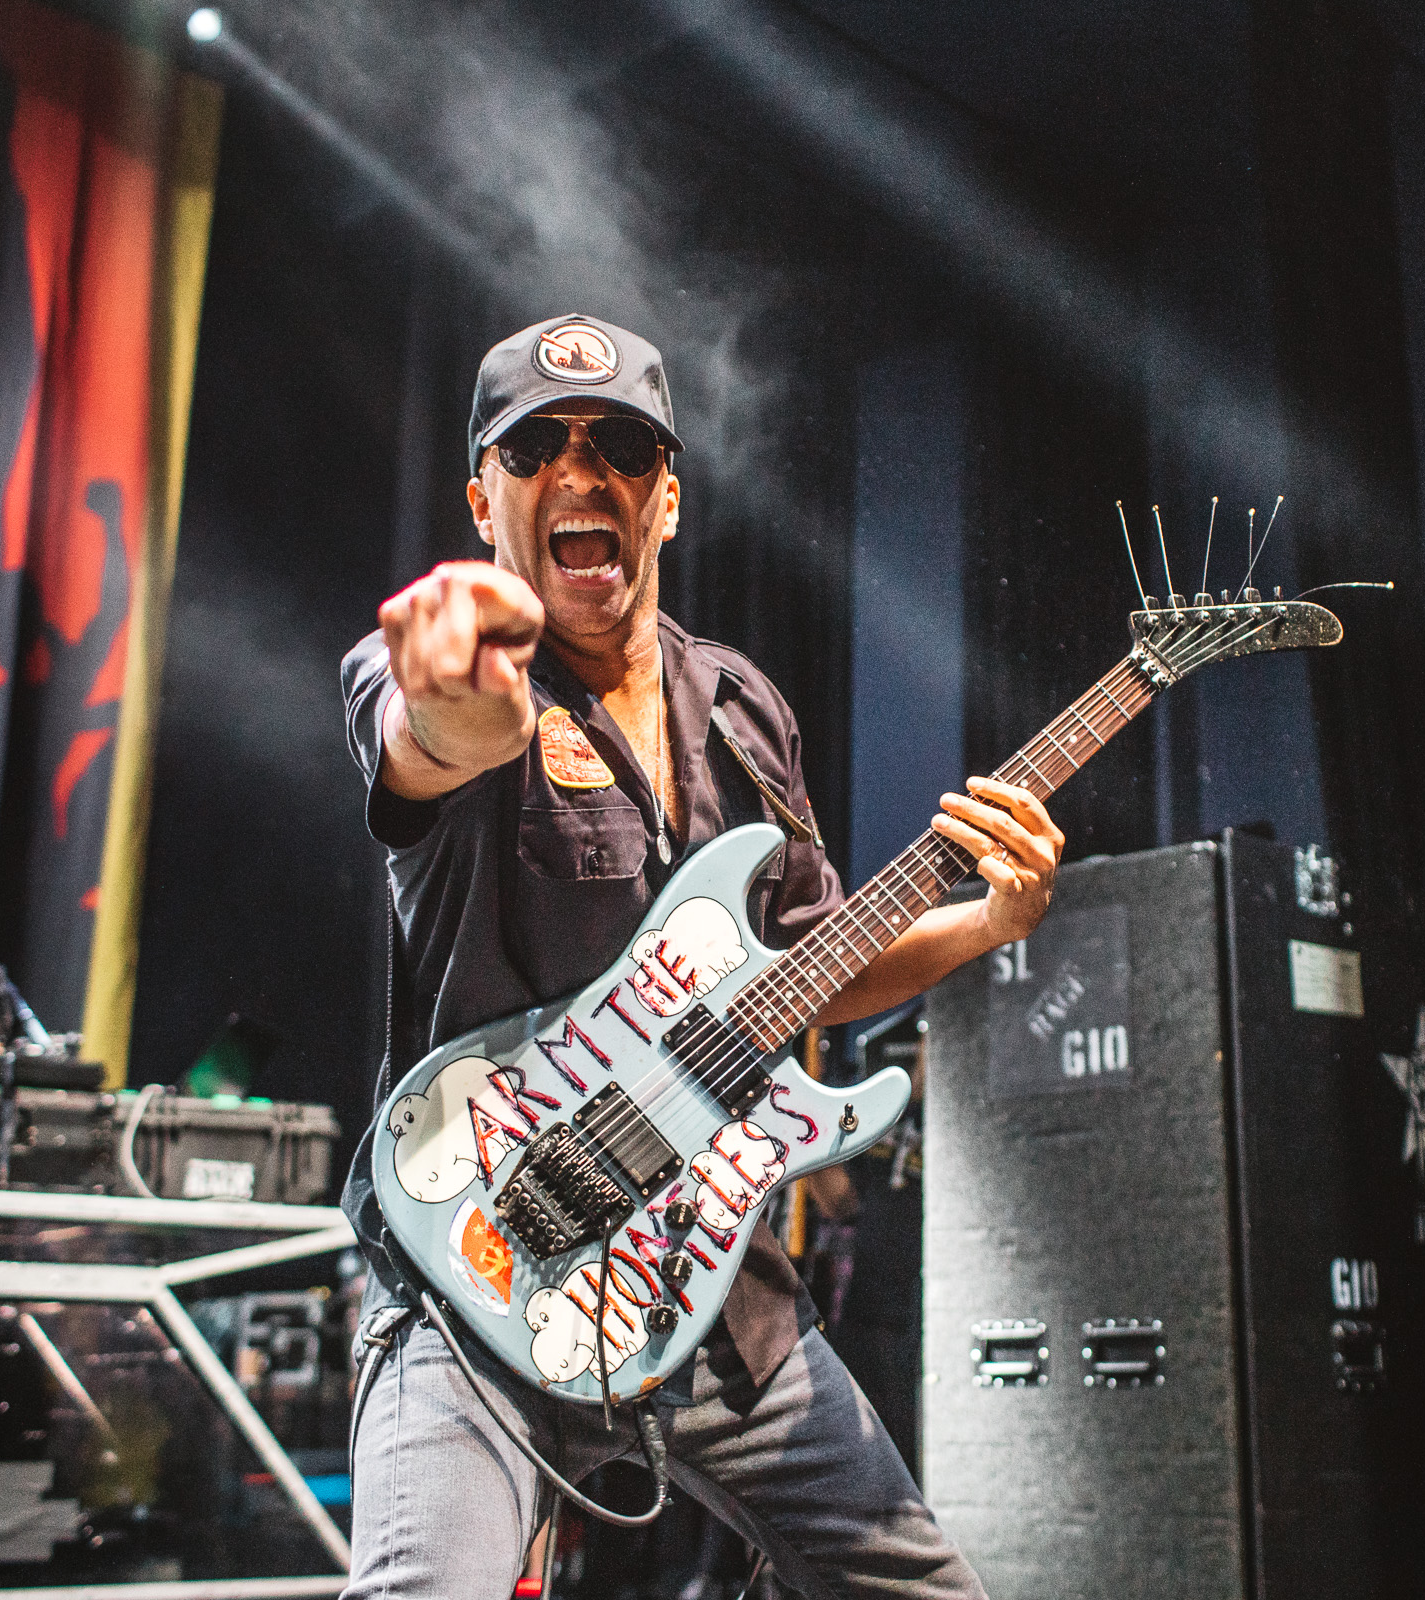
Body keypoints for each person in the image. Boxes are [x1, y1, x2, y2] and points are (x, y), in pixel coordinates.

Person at [340, 314, 1066, 1600]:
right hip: (484, 1268)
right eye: (536, 449)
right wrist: (454, 689)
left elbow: (815, 961)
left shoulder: (741, 704)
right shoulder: (430, 674)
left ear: (664, 497)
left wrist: (990, 923)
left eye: (620, 445)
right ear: (481, 497)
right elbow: (434, 735)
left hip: (715, 1284)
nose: (582, 473)